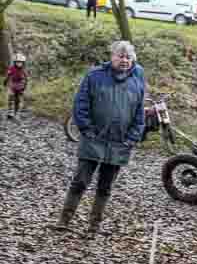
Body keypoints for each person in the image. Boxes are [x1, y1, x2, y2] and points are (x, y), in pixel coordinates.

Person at [54, 41, 145, 235]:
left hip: (120, 142)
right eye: (120, 56)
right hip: (93, 138)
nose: (124, 60)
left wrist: (132, 138)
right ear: (111, 56)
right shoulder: (95, 76)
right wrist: (86, 129)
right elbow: (80, 103)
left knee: (105, 187)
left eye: (128, 57)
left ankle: (94, 226)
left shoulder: (137, 80)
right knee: (80, 181)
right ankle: (64, 219)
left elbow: (139, 114)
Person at [4, 53, 28, 120]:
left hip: (20, 86)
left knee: (18, 100)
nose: (19, 64)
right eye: (17, 62)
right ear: (15, 62)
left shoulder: (23, 70)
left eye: (20, 62)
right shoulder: (12, 68)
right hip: (12, 85)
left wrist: (24, 87)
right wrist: (5, 81)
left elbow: (26, 79)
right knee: (10, 97)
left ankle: (17, 112)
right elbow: (8, 75)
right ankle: (10, 112)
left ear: (23, 63)